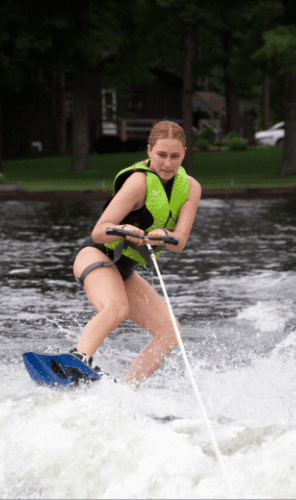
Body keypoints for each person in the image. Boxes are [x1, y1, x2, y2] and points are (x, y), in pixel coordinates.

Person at [72, 121, 201, 387]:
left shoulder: (191, 188)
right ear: (149, 150)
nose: (167, 163)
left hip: (124, 269)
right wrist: (122, 229)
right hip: (96, 255)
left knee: (170, 332)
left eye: (175, 156)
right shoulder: (138, 182)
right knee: (117, 308)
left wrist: (166, 236)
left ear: (184, 153)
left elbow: (180, 242)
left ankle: (128, 390)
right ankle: (78, 361)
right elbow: (99, 232)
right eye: (161, 155)